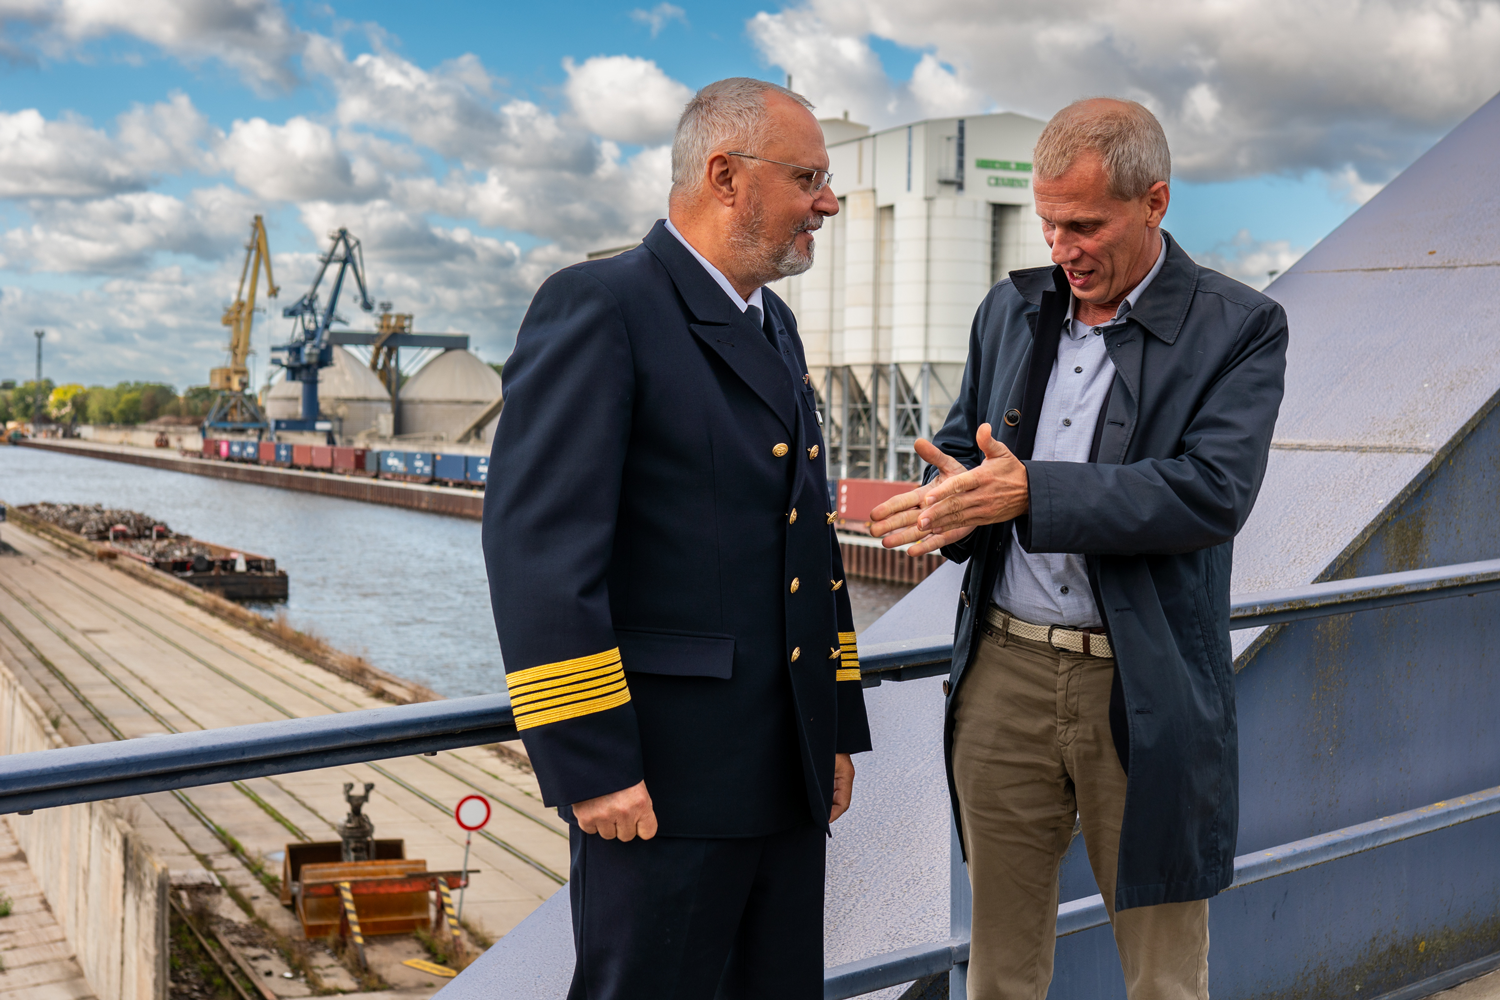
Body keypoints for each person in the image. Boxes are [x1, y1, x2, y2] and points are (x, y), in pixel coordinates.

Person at [870, 98, 1289, 999]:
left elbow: (1213, 492)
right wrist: (948, 504)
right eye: (1049, 223)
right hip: (1002, 676)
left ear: (1156, 202)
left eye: (1086, 225)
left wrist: (1034, 491)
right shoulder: (1009, 308)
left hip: (1143, 686)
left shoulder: (1242, 326)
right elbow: (966, 444)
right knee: (998, 968)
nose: (1063, 248)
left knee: (1163, 976)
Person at [483, 77, 872, 1000]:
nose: (828, 201)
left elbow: (804, 544)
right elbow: (540, 553)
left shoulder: (771, 324)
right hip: (659, 786)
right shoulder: (602, 305)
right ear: (726, 175)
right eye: (808, 177)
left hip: (784, 773)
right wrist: (593, 763)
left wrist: (833, 728)